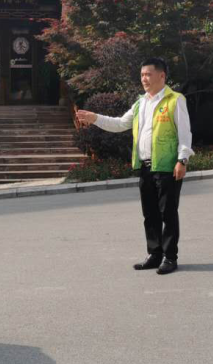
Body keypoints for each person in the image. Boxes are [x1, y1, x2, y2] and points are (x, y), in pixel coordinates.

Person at [76, 58, 193, 275]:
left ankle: (170, 257)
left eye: (148, 74)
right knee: (150, 214)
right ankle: (154, 254)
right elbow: (121, 123)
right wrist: (95, 118)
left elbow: (185, 133)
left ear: (162, 76)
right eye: (142, 75)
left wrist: (182, 160)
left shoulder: (175, 100)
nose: (144, 79)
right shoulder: (141, 103)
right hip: (146, 166)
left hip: (167, 167)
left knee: (168, 214)